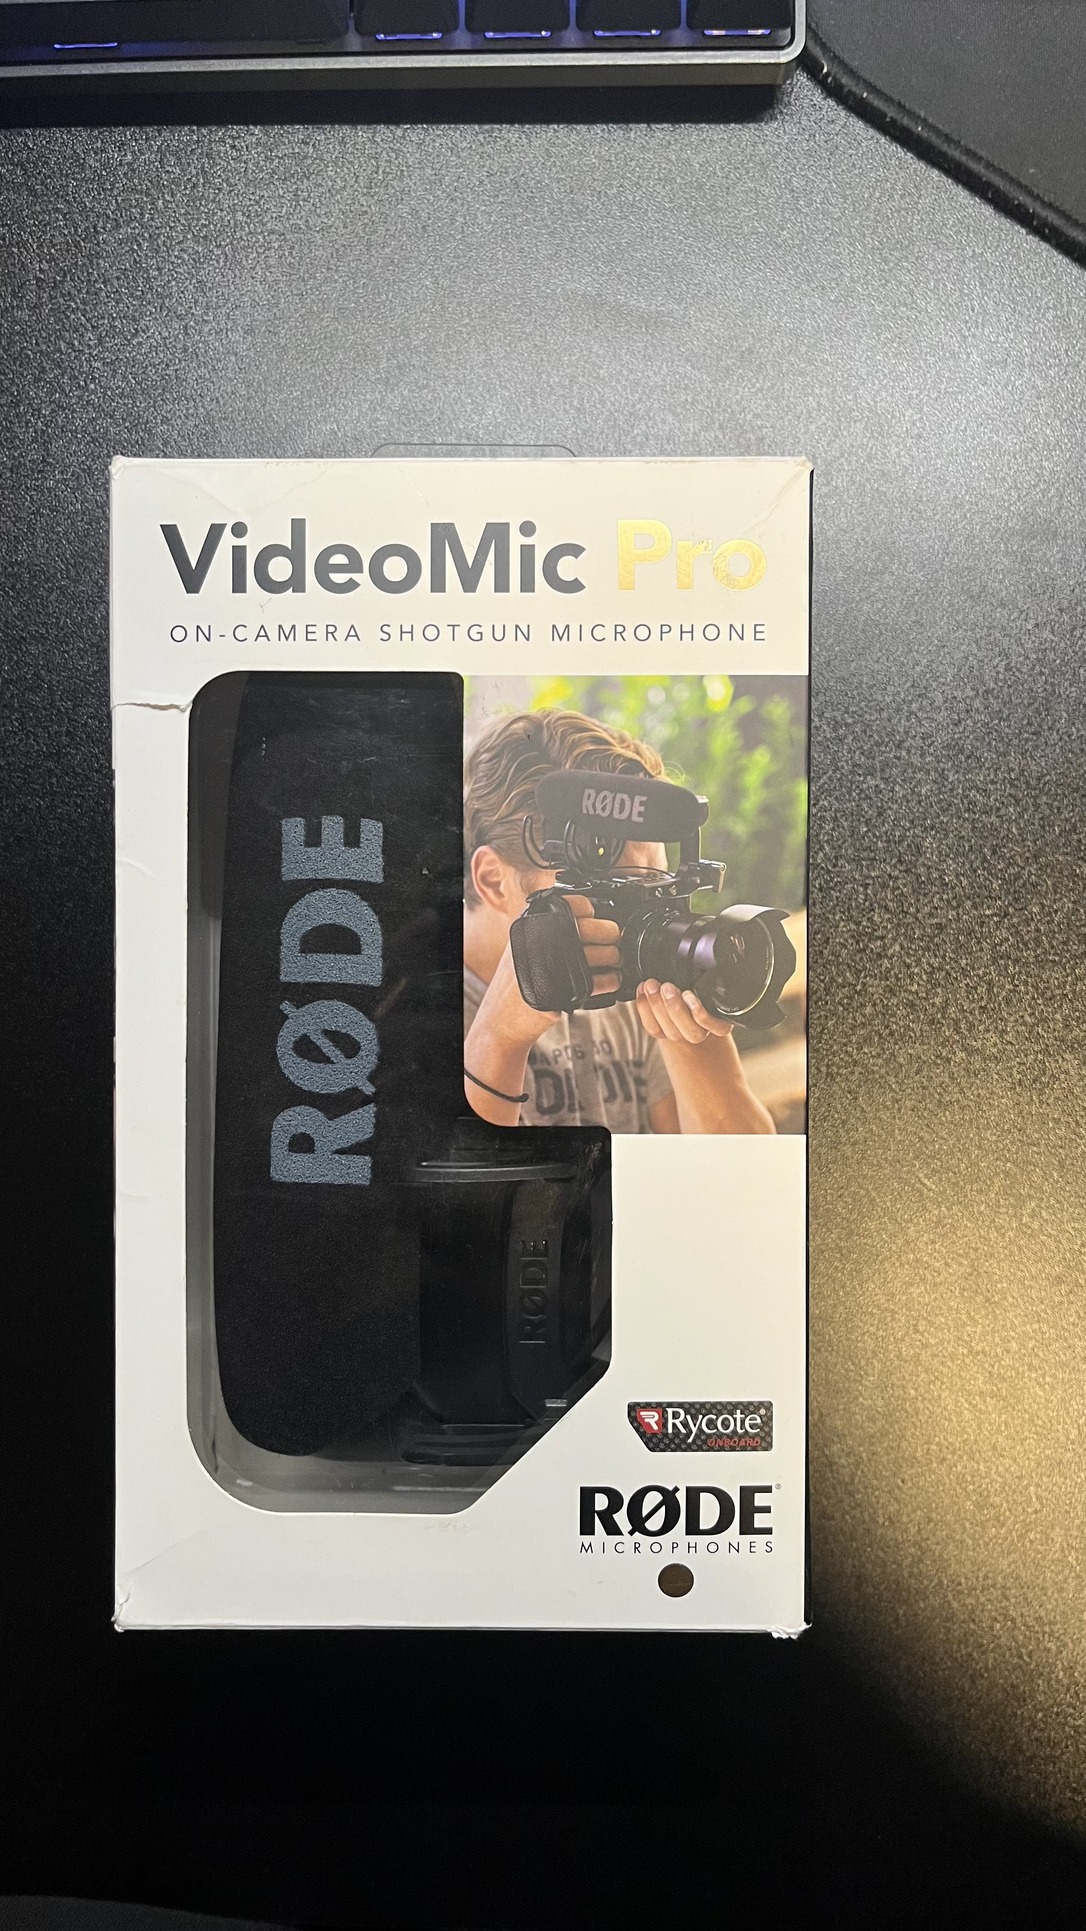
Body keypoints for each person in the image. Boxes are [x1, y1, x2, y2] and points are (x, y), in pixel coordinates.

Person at [463, 709, 775, 1134]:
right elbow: (462, 1176)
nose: (634, 926)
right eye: (611, 899)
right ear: (493, 881)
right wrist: (497, 1039)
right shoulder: (410, 1010)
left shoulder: (631, 990)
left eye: (655, 893)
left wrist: (694, 1038)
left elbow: (741, 1170)